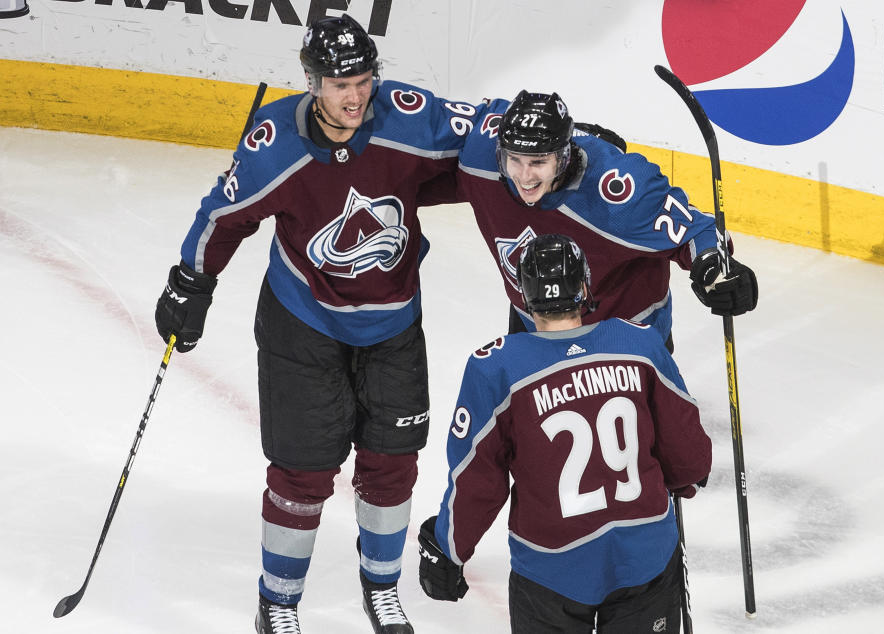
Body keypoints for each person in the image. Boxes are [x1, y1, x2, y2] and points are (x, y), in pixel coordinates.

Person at [153, 14, 489, 634]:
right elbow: (223, 215)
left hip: (392, 324)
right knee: (302, 473)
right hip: (301, 323)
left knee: (392, 465)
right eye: (339, 84)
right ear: (311, 82)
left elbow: (490, 128)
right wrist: (191, 280)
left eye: (363, 80)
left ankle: (382, 592)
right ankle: (278, 602)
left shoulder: (407, 117)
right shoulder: (274, 144)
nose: (355, 96)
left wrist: (564, 143)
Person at [416, 234, 712, 633]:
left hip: (550, 569)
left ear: (523, 295)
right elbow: (687, 447)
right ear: (585, 287)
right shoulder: (637, 343)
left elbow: (477, 480)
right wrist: (686, 476)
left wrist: (450, 548)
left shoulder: (499, 369)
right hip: (646, 554)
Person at [421, 90, 759, 349]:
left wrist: (714, 267)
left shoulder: (620, 195)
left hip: (624, 334)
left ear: (564, 155)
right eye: (515, 160)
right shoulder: (481, 157)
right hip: (534, 321)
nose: (524, 176)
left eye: (538, 162)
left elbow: (698, 229)